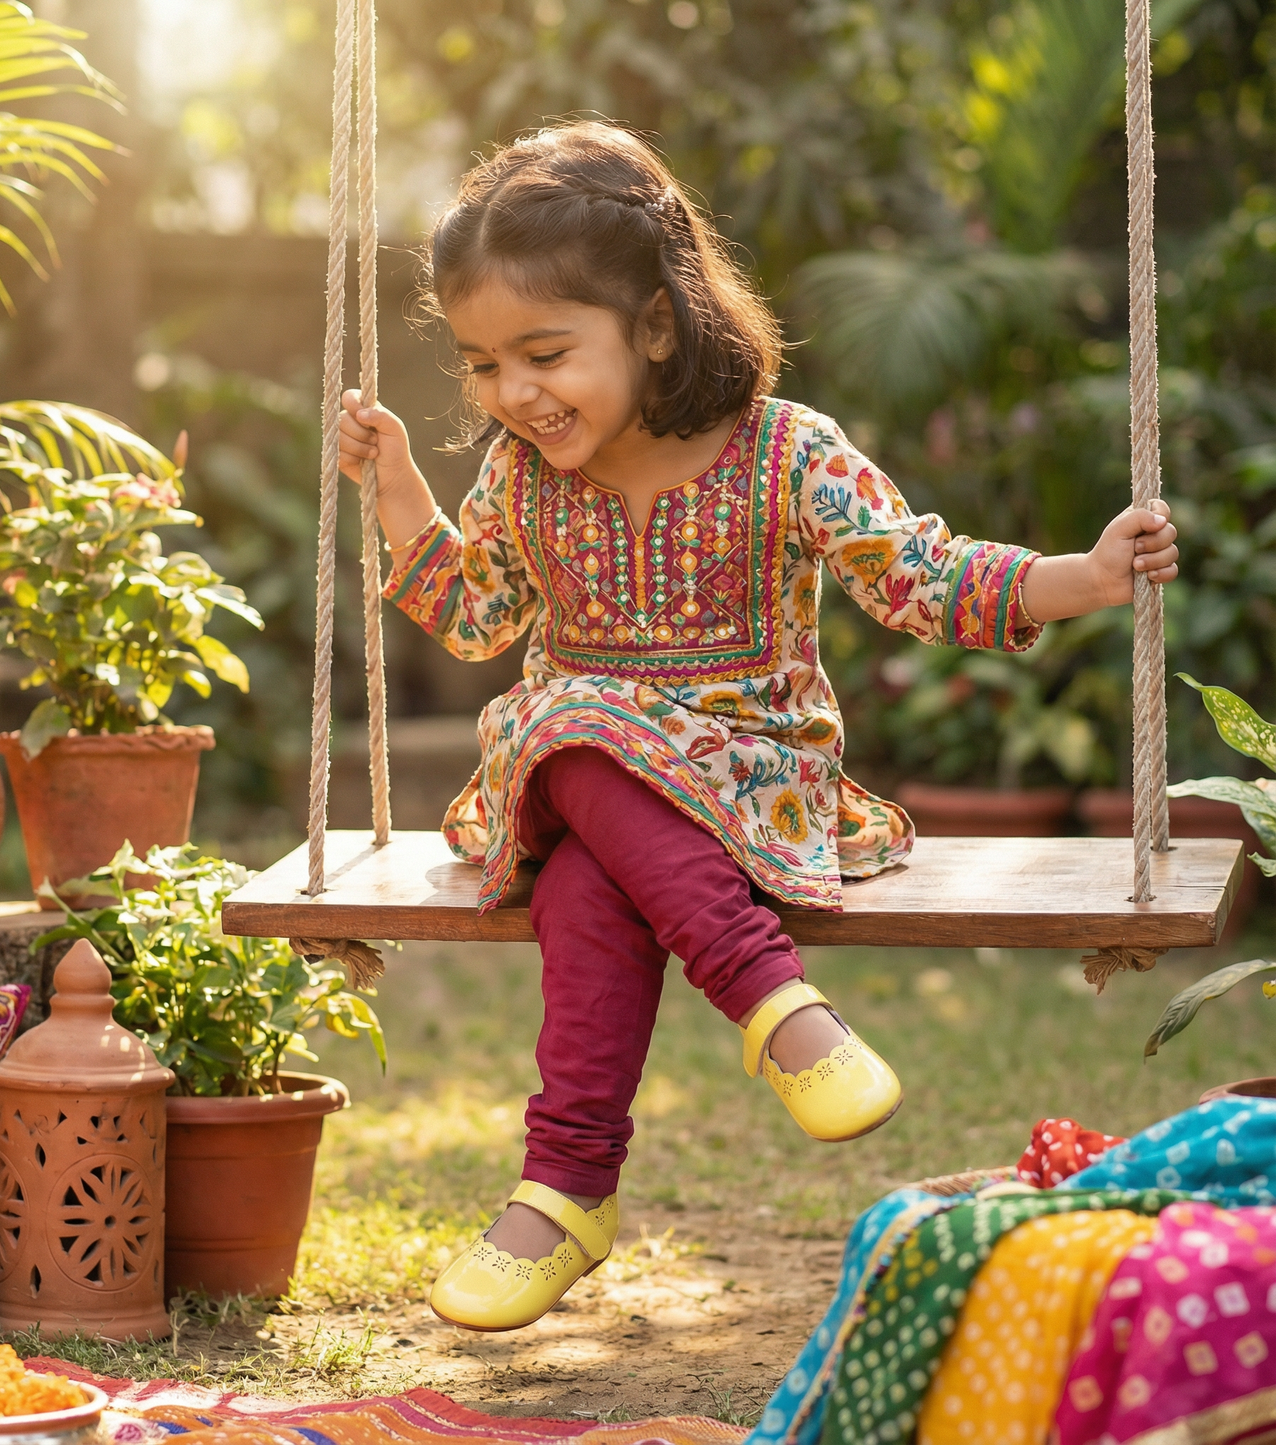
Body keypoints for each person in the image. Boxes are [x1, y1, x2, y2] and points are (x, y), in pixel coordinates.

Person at [337, 120, 1179, 1334]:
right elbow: (474, 615)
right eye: (479, 365)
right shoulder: (522, 480)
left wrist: (1083, 577)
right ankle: (693, 1075)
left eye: (543, 352)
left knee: (579, 821)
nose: (512, 393)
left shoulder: (789, 453)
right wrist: (403, 489)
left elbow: (917, 575)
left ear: (657, 326)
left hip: (756, 787)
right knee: (574, 752)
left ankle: (610, 1140)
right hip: (578, 771)